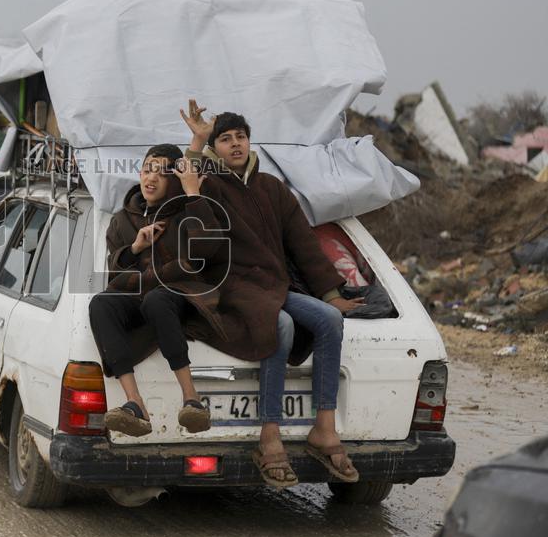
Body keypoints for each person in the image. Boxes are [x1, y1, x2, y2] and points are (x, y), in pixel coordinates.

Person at [180, 100, 363, 489]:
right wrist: (196, 142)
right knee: (278, 324)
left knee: (329, 319)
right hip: (234, 290)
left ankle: (324, 428)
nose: (235, 145)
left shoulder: (272, 188)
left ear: (249, 142)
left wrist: (330, 295)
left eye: (241, 137)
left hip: (276, 287)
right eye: (225, 139)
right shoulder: (210, 186)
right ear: (216, 148)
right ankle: (269, 432)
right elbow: (187, 180)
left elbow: (303, 243)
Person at [89, 144, 224, 437]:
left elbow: (208, 250)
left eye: (161, 174)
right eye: (147, 170)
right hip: (141, 294)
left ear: (174, 179)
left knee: (157, 299)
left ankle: (192, 400)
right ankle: (134, 405)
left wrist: (193, 195)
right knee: (102, 303)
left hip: (185, 295)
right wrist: (135, 248)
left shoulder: (188, 207)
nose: (151, 178)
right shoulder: (122, 220)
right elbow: (115, 272)